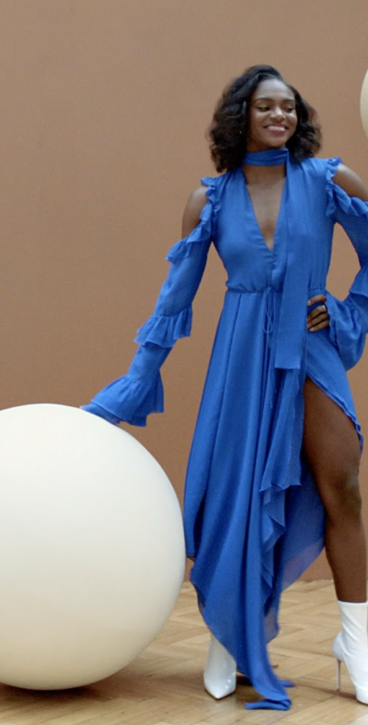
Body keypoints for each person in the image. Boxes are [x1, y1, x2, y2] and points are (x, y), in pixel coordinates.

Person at [84, 65, 368, 710]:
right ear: (241, 115)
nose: (281, 117)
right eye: (267, 106)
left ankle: (358, 640)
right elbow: (174, 298)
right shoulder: (208, 199)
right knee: (234, 499)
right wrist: (136, 381)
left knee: (342, 488)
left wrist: (348, 312)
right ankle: (233, 636)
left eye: (290, 108)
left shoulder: (328, 181)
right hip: (240, 359)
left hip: (312, 351)